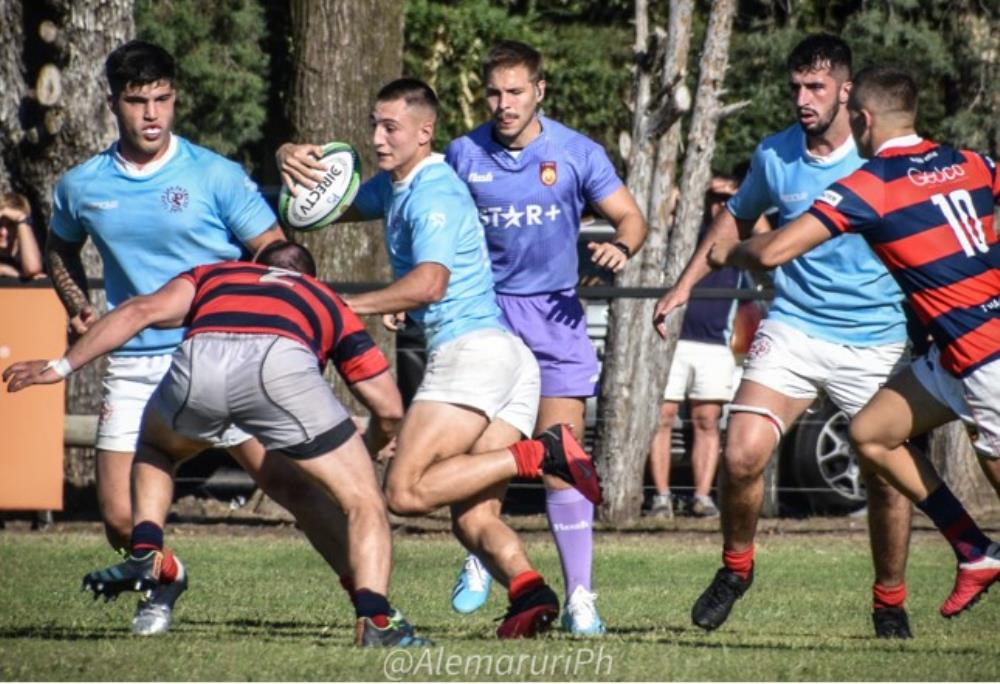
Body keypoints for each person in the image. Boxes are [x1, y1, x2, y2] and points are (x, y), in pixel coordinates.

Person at [45, 40, 363, 635]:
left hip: (224, 351)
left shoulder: (216, 175)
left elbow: (276, 254)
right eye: (137, 101)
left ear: (175, 98)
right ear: (111, 102)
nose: (151, 115)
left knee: (289, 484)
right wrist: (77, 304)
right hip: (136, 362)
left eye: (162, 99)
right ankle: (165, 577)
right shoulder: (81, 185)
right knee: (120, 519)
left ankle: (370, 601)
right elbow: (59, 246)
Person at [277, 78, 602, 639]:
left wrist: (343, 305)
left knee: (404, 492)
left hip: (472, 355)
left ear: (425, 132)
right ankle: (530, 594)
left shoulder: (433, 193)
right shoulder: (396, 187)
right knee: (473, 518)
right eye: (375, 126)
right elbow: (324, 206)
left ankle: (543, 453)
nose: (377, 139)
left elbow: (430, 283)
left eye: (391, 128)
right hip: (506, 363)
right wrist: (289, 156)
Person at [5, 242, 428, 647]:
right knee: (363, 502)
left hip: (198, 366)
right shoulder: (323, 297)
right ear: (309, 277)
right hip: (278, 369)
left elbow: (139, 311)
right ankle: (376, 619)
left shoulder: (217, 274)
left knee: (157, 448)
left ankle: (147, 548)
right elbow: (389, 408)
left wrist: (61, 366)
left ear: (253, 265)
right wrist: (370, 445)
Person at [710, 64, 1000, 618]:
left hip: (986, 359)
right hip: (951, 356)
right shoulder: (970, 162)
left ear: (863, 119)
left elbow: (774, 252)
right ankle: (973, 550)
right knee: (871, 434)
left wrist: (729, 253)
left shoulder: (872, 183)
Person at [652, 35, 917, 639]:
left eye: (816, 87)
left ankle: (890, 601)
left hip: (875, 337)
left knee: (886, 475)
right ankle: (736, 568)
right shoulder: (775, 155)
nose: (803, 98)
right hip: (794, 324)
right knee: (742, 453)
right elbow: (735, 220)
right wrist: (684, 286)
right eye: (796, 86)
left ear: (846, 92)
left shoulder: (883, 155)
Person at [441, 40, 647, 633]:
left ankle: (581, 597)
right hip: (484, 317)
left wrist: (621, 246)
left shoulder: (577, 152)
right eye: (494, 93)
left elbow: (632, 217)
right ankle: (482, 550)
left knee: (562, 458)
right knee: (484, 456)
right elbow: (434, 226)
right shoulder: (462, 154)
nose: (504, 104)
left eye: (516, 92)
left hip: (556, 318)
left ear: (539, 91)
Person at [646, 177, 749, 519]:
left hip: (714, 344)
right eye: (713, 198)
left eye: (725, 199)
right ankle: (661, 497)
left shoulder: (740, 236)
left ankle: (702, 497)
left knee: (707, 420)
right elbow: (664, 205)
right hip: (670, 343)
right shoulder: (685, 232)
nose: (719, 205)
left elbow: (763, 227)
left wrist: (741, 197)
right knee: (662, 418)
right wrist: (698, 184)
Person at [0, 192, 44, 279]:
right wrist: (5, 270)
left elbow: (32, 269)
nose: (3, 232)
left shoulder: (36, 256)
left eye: (11, 225)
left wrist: (21, 219)